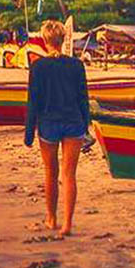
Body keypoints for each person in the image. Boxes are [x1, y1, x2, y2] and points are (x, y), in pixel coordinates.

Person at [24, 20, 89, 237]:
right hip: (73, 121)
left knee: (50, 173)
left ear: (44, 40)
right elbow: (83, 99)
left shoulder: (38, 67)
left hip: (48, 123)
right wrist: (86, 126)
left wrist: (28, 134)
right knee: (69, 174)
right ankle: (67, 224)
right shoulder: (76, 65)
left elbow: (33, 101)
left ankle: (51, 219)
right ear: (63, 40)